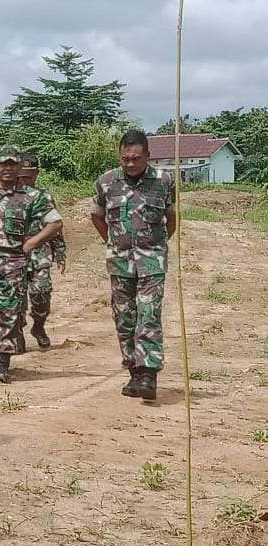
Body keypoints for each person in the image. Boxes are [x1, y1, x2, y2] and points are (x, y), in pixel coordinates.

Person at [0, 145, 63, 383]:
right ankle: (0, 338)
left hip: (12, 262)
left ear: (19, 167)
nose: (7, 168)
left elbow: (55, 223)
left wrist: (32, 243)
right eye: (3, 164)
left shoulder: (32, 196)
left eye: (12, 164)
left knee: (9, 310)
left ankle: (2, 360)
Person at [90, 130, 176, 401]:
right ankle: (134, 372)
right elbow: (97, 216)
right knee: (125, 319)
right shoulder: (106, 182)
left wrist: (157, 245)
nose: (130, 164)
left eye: (135, 159)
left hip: (152, 261)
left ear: (148, 156)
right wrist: (115, 243)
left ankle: (149, 373)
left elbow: (171, 218)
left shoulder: (163, 181)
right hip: (120, 263)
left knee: (149, 314)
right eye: (125, 158)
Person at [18, 153, 67, 348]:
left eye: (28, 176)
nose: (24, 180)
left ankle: (38, 326)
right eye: (21, 176)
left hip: (40, 254)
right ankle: (17, 334)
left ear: (36, 174)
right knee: (15, 298)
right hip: (14, 256)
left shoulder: (44, 197)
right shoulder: (6, 197)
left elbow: (56, 226)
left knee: (41, 292)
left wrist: (60, 253)